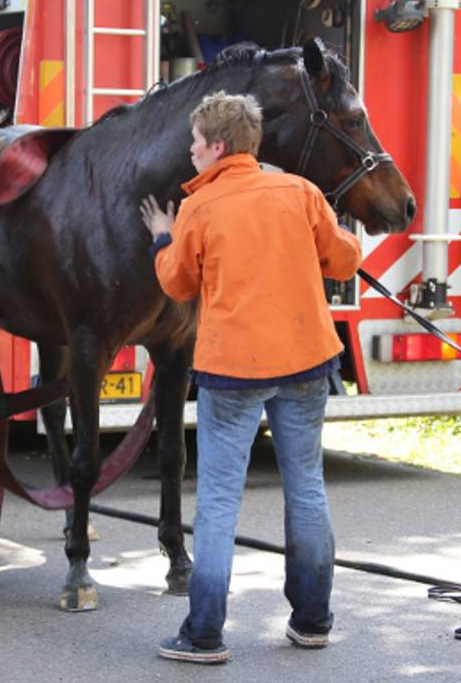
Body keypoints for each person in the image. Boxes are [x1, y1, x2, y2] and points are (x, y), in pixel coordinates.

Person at [141, 91, 359, 664]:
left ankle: (204, 634)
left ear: (218, 146)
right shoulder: (300, 191)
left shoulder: (200, 210)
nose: (189, 153)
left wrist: (164, 237)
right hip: (308, 360)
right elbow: (342, 261)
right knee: (307, 488)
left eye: (194, 143)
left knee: (217, 500)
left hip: (233, 372)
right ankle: (312, 621)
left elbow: (177, 285)